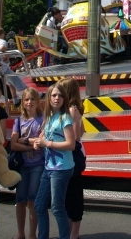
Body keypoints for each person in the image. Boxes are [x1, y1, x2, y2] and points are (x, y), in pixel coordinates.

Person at [34, 83, 76, 239]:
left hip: (61, 168)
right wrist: (38, 142)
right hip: (49, 167)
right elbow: (43, 136)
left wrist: (47, 143)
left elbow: (71, 144)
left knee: (57, 208)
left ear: (64, 98)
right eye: (54, 95)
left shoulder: (65, 118)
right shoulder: (49, 117)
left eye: (60, 95)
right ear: (48, 98)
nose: (57, 98)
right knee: (39, 205)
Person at [11, 88, 45, 239]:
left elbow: (42, 141)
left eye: (32, 99)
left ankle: (32, 234)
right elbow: (13, 144)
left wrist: (23, 140)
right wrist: (31, 144)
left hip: (38, 164)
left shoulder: (43, 119)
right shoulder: (19, 121)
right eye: (26, 99)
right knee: (20, 200)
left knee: (32, 200)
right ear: (23, 103)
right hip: (22, 164)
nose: (29, 102)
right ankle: (20, 233)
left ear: (38, 101)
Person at [58, 78, 85, 239]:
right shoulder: (68, 109)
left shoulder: (72, 110)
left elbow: (75, 137)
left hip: (72, 155)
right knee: (67, 195)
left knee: (74, 195)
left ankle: (74, 233)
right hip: (67, 153)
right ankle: (68, 232)